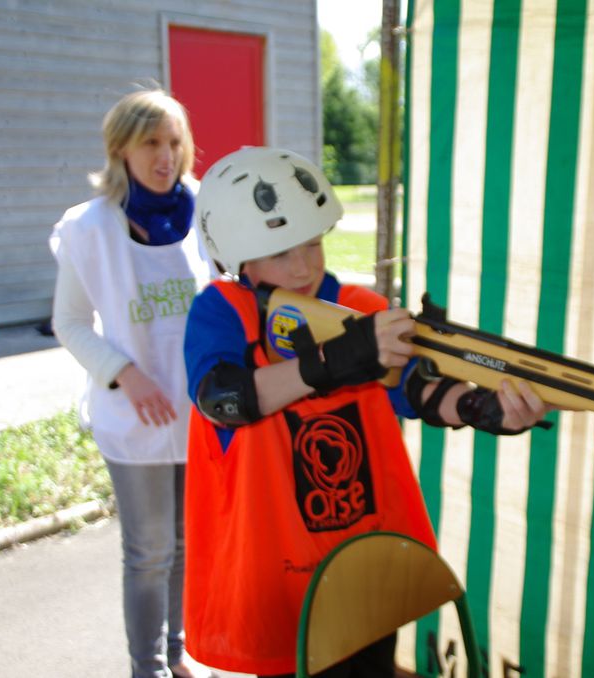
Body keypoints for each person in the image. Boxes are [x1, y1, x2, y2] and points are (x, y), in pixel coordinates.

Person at [181, 146, 548, 677]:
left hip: (367, 563)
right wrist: (330, 362)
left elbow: (420, 392)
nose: (304, 265)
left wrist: (479, 406)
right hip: (276, 573)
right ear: (237, 257)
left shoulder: (359, 309)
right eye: (282, 252)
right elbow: (223, 400)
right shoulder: (221, 312)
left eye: (312, 244)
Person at [49, 89, 215, 678]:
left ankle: (175, 653)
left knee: (185, 547)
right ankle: (146, 668)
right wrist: (123, 373)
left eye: (175, 142)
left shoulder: (207, 212)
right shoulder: (89, 228)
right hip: (134, 418)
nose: (166, 155)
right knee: (147, 553)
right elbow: (67, 322)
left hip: (198, 414)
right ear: (120, 146)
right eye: (152, 142)